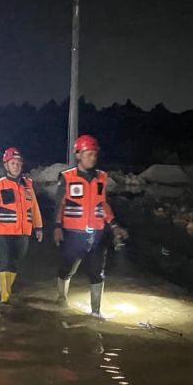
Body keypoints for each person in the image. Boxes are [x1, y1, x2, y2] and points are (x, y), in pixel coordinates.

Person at [53, 135, 129, 317]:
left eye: (95, 154)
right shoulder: (67, 177)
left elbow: (103, 204)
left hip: (96, 234)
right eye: (88, 154)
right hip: (72, 234)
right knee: (67, 269)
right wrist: (57, 227)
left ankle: (96, 311)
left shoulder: (102, 178)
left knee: (97, 272)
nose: (92, 157)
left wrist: (114, 225)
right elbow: (59, 205)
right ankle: (62, 298)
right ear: (78, 155)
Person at [0, 147, 44, 305]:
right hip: (4, 232)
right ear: (6, 165)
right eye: (12, 163)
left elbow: (34, 207)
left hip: (24, 232)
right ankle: (4, 297)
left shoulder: (28, 185)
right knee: (5, 261)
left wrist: (38, 227)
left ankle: (9, 289)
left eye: (18, 163)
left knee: (16, 261)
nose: (16, 166)